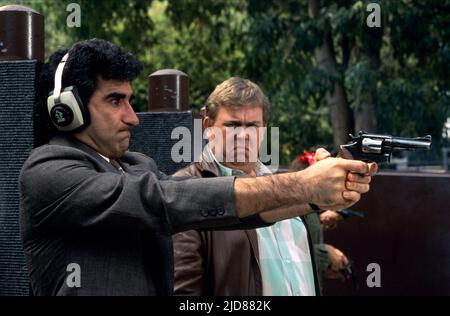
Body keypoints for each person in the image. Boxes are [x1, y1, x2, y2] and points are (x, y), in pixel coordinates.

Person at [19, 39, 375, 296]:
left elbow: (223, 215)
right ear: (66, 108)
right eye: (115, 101)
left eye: (130, 101)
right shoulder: (49, 171)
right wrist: (302, 186)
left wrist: (316, 196)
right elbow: (164, 200)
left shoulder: (135, 164)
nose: (132, 118)